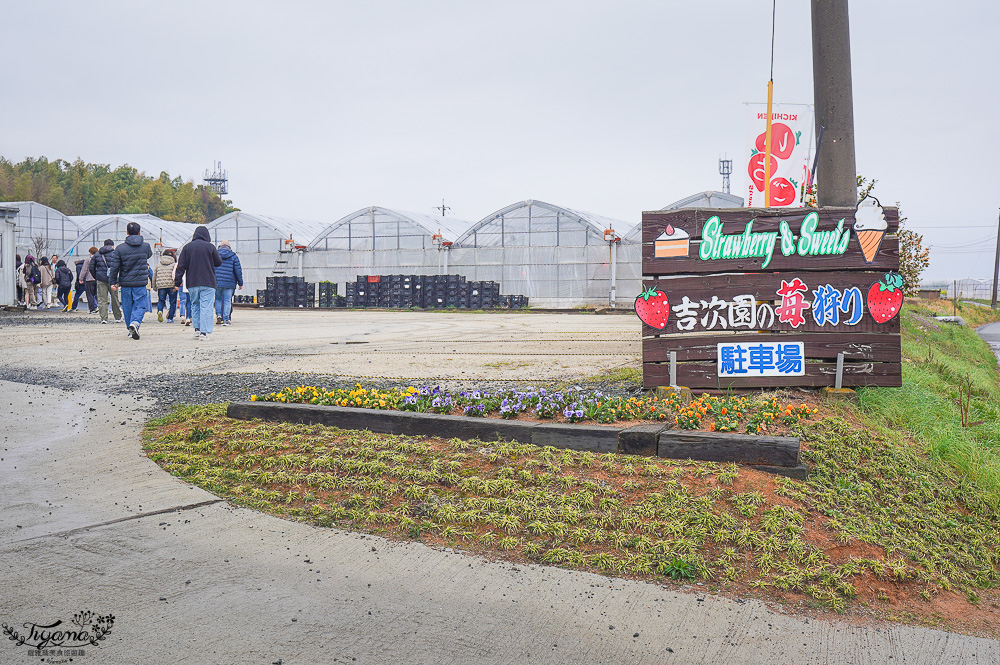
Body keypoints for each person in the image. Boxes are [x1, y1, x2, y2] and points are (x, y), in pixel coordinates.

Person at [174, 226, 221, 341]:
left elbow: (181, 266)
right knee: (206, 307)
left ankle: (197, 329)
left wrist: (177, 282)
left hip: (192, 282)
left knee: (195, 305)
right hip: (208, 282)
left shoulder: (187, 248)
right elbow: (218, 262)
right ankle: (204, 333)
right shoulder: (210, 247)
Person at [108, 222, 153, 340]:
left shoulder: (119, 248)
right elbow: (149, 255)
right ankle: (135, 323)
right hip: (140, 282)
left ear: (127, 232)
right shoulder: (146, 246)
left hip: (126, 283)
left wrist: (113, 282)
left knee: (127, 307)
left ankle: (130, 328)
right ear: (139, 232)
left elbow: (114, 267)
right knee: (140, 305)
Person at [91, 239, 123, 324]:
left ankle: (104, 318)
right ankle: (118, 317)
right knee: (114, 298)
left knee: (102, 299)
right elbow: (120, 266)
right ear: (112, 246)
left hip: (101, 279)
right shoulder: (115, 254)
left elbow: (91, 267)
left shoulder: (97, 255)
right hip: (113, 280)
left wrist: (97, 276)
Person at [214, 240, 243, 326]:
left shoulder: (214, 255)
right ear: (229, 247)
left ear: (220, 246)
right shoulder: (233, 256)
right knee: (227, 301)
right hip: (229, 283)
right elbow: (238, 270)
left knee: (218, 299)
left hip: (217, 282)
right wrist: (240, 283)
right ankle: (226, 319)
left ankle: (219, 315)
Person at [154, 249, 178, 322]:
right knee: (172, 302)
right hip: (171, 285)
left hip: (161, 286)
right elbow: (177, 275)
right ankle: (170, 318)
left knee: (161, 300)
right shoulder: (174, 265)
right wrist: (177, 284)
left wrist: (154, 286)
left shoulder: (158, 265)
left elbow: (154, 276)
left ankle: (160, 311)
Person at [78, 247, 99, 313]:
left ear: (90, 252)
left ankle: (92, 309)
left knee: (90, 295)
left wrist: (81, 278)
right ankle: (98, 306)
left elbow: (84, 269)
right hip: (97, 279)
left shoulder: (88, 260)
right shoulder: (99, 259)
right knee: (97, 294)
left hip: (89, 279)